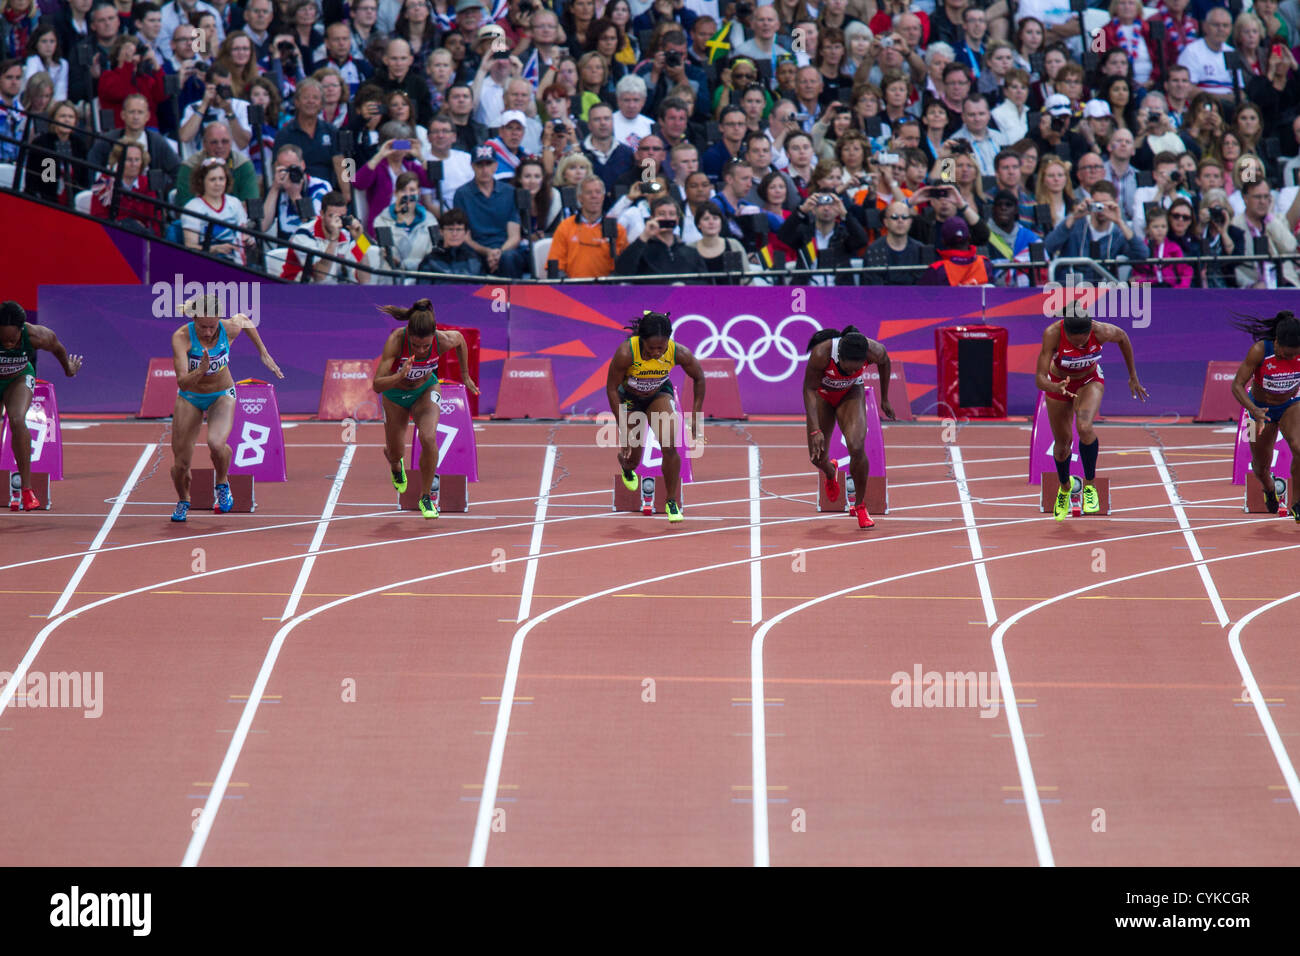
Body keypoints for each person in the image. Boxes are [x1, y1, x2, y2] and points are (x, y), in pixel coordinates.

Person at [167, 294, 282, 522]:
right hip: (190, 396)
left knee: (216, 443)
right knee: (181, 464)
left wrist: (263, 352)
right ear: (195, 320)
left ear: (219, 319)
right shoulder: (181, 337)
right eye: (203, 327)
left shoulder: (228, 328)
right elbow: (182, 381)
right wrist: (200, 371)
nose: (208, 332)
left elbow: (245, 320)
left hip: (222, 394)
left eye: (212, 326)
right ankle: (184, 500)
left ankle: (222, 483)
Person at [1034, 302, 1147, 521]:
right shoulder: (1052, 334)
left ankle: (1090, 486)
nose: (1079, 346)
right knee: (1062, 446)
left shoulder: (1102, 331)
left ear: (1090, 331)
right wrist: (1053, 387)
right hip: (1059, 384)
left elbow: (1123, 337)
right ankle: (1065, 488)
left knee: (1085, 427)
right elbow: (1039, 378)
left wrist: (1133, 376)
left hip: (1089, 380)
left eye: (1083, 342)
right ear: (1066, 331)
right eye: (1074, 343)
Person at [370, 298, 478, 519]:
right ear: (408, 333)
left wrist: (465, 375)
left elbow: (461, 341)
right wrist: (399, 375)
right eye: (416, 345)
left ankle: (426, 496)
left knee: (428, 438)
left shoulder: (444, 339)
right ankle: (394, 463)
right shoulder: (396, 340)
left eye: (426, 346)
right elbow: (377, 385)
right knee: (396, 450)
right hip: (395, 395)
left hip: (425, 391)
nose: (420, 351)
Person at [604, 310, 706, 524]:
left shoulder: (678, 352)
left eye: (661, 348)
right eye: (651, 348)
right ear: (642, 341)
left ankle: (671, 501)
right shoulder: (626, 352)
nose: (657, 353)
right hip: (630, 398)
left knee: (670, 445)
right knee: (633, 454)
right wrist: (622, 424)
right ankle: (627, 467)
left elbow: (699, 377)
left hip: (658, 394)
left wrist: (696, 414)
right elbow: (611, 388)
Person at [803, 325, 894, 530]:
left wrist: (885, 399)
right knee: (816, 457)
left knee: (856, 446)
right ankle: (830, 471)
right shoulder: (822, 354)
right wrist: (815, 429)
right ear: (839, 357)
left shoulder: (874, 350)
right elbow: (808, 389)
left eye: (858, 368)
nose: (853, 371)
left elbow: (885, 362)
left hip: (851, 394)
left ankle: (860, 506)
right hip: (823, 396)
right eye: (849, 368)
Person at [0, 301, 81, 511]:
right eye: (3, 339)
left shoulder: (37, 335)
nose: (8, 344)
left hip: (18, 377)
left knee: (17, 419)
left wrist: (69, 369)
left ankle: (27, 490)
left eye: (12, 339)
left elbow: (58, 348)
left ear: (22, 328)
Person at [1230, 310, 1300, 518]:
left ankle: (1296, 503)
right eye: (1286, 354)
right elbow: (1237, 385)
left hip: (1291, 404)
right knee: (1259, 466)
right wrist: (1254, 410)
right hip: (1257, 410)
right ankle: (1270, 489)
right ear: (1276, 342)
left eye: (1294, 355)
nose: (1289, 358)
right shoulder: (1260, 350)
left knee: (1299, 446)